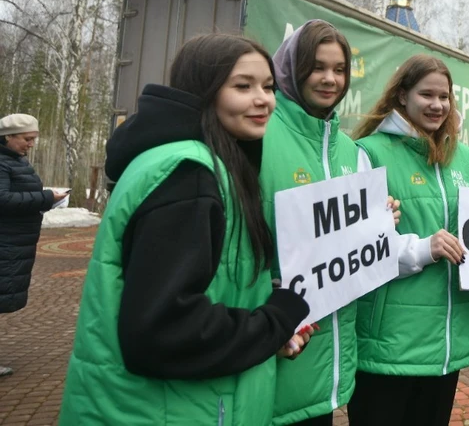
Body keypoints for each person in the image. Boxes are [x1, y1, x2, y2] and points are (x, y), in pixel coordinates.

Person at [60, 34, 312, 425]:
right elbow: (163, 330)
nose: (263, 99)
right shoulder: (190, 176)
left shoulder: (194, 162)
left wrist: (267, 337)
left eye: (268, 86)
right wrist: (275, 320)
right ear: (204, 91)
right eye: (242, 86)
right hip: (166, 411)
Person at [261, 20, 398, 426]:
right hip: (277, 349)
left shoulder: (351, 152)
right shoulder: (260, 136)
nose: (329, 79)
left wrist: (377, 220)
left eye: (339, 70)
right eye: (317, 67)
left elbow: (354, 247)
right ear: (291, 68)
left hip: (328, 365)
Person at [348, 54, 469, 426]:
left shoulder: (464, 159)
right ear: (402, 96)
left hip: (445, 347)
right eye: (427, 94)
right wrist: (426, 248)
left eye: (445, 96)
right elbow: (359, 249)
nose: (438, 105)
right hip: (389, 347)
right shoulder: (371, 153)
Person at [0, 113, 67, 376]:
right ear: (8, 137)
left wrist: (46, 198)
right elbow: (3, 199)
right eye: (27, 139)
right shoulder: (3, 163)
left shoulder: (13, 160)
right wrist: (45, 197)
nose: (31, 144)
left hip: (12, 243)